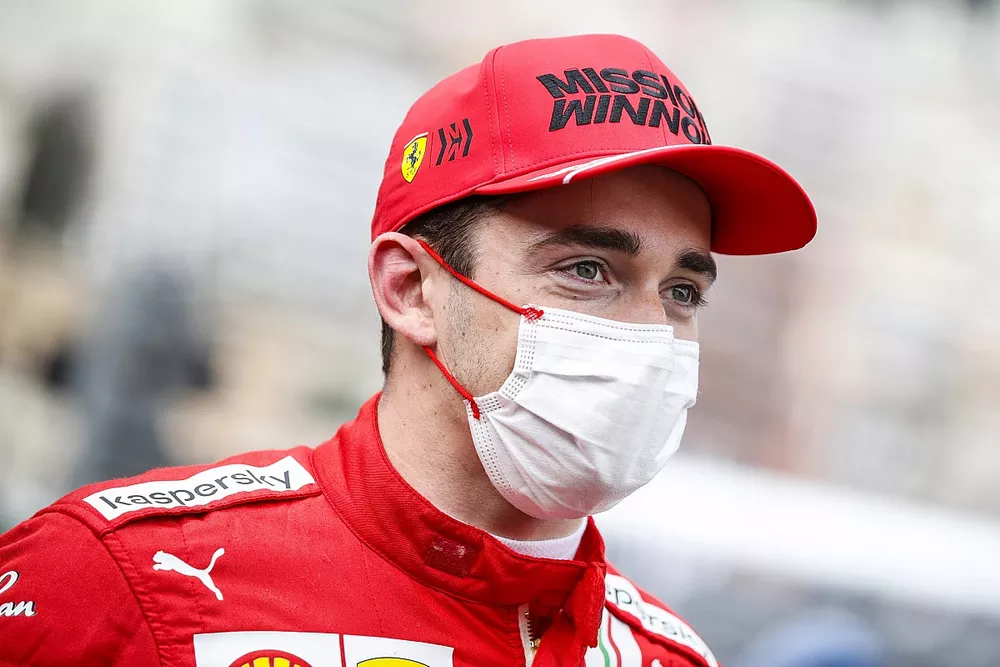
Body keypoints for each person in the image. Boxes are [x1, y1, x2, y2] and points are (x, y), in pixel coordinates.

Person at [0, 34, 815, 667]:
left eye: (682, 291)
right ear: (412, 289)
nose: (647, 332)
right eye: (587, 270)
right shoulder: (114, 575)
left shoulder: (672, 657)